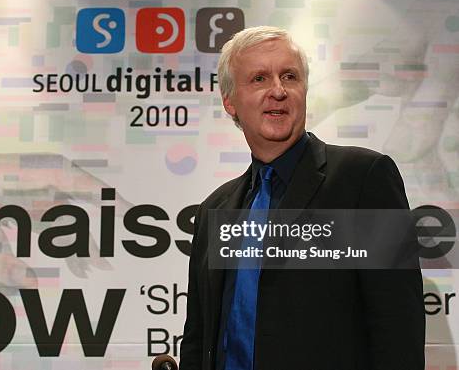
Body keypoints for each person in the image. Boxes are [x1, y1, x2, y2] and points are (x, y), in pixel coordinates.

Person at [179, 26, 425, 370]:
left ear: (304, 90)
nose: (277, 91)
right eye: (259, 79)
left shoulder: (362, 179)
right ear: (230, 101)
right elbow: (198, 337)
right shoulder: (215, 208)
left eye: (289, 76)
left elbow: (398, 327)